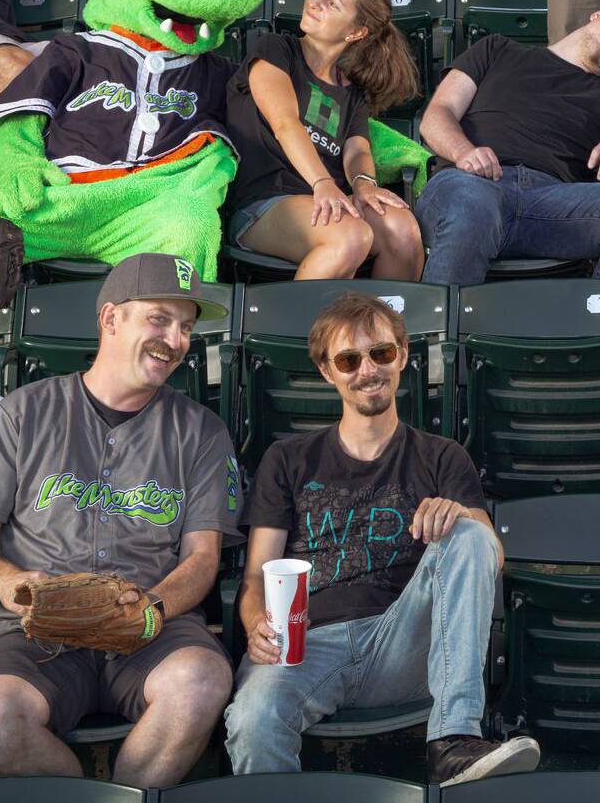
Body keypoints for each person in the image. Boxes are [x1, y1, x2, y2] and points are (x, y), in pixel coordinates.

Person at [0, 254, 242, 785]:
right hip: (36, 629)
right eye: (158, 319)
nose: (174, 340)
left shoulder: (201, 431)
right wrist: (6, 580)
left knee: (200, 681)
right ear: (110, 319)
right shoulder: (22, 412)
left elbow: (203, 557)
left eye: (185, 327)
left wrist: (152, 607)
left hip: (155, 628)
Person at [224, 293, 542, 784]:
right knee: (252, 720)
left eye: (381, 353)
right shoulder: (287, 459)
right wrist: (253, 626)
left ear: (404, 355)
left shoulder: (442, 456)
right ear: (328, 372)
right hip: (306, 644)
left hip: (405, 640)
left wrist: (458, 515)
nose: (367, 370)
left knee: (471, 533)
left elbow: (488, 553)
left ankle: (454, 739)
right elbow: (255, 576)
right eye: (349, 359)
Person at [416, 9, 600, 285]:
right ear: (599, 14)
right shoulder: (497, 49)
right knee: (473, 205)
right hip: (471, 181)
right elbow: (438, 114)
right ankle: (437, 327)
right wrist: (463, 152)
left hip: (554, 202)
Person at [226, 0, 425, 279]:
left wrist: (364, 185)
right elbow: (285, 123)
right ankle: (302, 328)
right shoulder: (276, 49)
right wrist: (323, 183)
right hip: (262, 203)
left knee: (402, 229)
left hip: (327, 202)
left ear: (355, 33)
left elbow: (357, 149)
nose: (315, 2)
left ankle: (384, 326)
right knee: (350, 235)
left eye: (332, 3)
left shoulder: (352, 91)